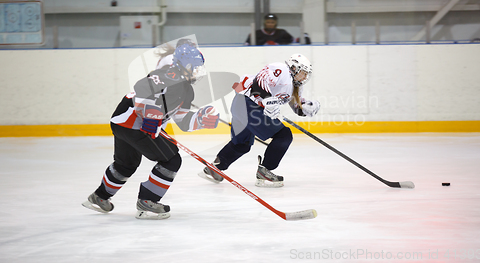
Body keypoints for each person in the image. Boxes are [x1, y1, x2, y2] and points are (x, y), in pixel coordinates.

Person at [82, 44, 220, 219]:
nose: (198, 72)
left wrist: (200, 120)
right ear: (183, 66)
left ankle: (99, 197)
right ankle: (147, 202)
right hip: (134, 124)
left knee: (126, 165)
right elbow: (142, 88)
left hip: (124, 124)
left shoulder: (187, 91)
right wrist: (150, 114)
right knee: (171, 160)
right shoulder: (167, 75)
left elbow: (182, 121)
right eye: (195, 67)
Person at [199, 54, 320, 187]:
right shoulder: (281, 69)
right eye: (302, 73)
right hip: (248, 105)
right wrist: (269, 101)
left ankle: (214, 169)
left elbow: (296, 106)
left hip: (243, 106)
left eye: (306, 75)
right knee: (283, 135)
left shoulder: (295, 86)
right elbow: (259, 83)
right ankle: (265, 171)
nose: (304, 77)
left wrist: (306, 108)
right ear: (293, 67)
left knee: (242, 144)